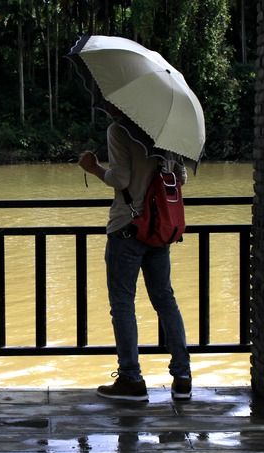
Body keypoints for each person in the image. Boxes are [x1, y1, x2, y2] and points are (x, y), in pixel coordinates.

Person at [78, 101, 192, 402]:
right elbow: (180, 178)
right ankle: (182, 376)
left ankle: (131, 379)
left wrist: (93, 168)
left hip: (127, 227)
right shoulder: (163, 131)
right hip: (159, 229)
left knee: (123, 304)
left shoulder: (119, 129)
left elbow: (120, 180)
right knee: (165, 300)